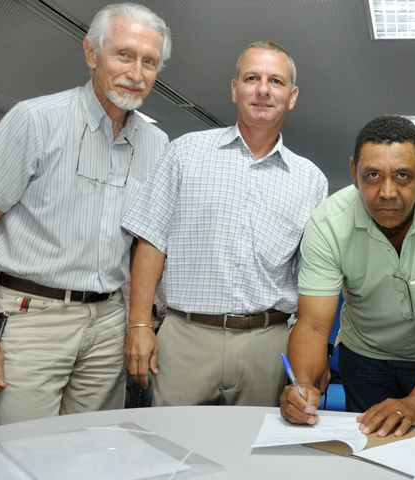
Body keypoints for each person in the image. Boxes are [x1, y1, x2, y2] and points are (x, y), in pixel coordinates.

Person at [0, 3, 171, 424]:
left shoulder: (157, 144)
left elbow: (147, 242)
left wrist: (138, 324)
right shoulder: (35, 120)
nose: (136, 73)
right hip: (32, 314)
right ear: (91, 54)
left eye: (149, 62)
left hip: (108, 322)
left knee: (92, 450)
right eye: (123, 54)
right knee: (24, 451)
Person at [121, 41, 328, 407]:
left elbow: (310, 277)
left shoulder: (311, 180)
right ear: (234, 89)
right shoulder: (185, 152)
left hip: (268, 344)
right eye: (252, 78)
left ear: (292, 96)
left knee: (256, 442)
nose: (263, 90)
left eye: (276, 81)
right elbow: (150, 241)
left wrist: (314, 357)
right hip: (186, 338)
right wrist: (139, 325)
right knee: (172, 440)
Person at [280, 115, 415, 437]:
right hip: (365, 359)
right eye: (372, 175)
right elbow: (313, 324)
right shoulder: (328, 222)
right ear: (354, 173)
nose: (387, 192)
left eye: (403, 175)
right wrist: (302, 387)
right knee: (369, 453)